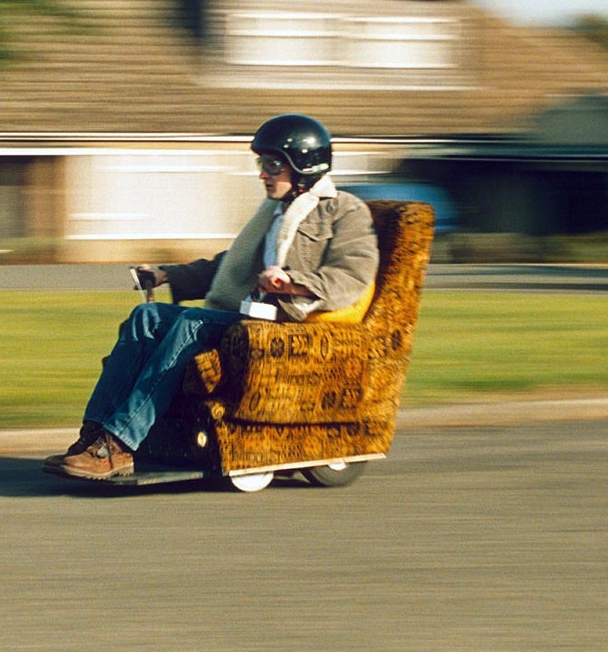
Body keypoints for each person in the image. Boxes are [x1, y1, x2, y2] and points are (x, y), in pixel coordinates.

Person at [44, 114, 380, 480]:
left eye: (272, 165)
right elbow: (229, 267)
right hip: (249, 317)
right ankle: (94, 435)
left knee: (191, 323)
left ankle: (120, 445)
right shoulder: (275, 213)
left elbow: (353, 276)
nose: (263, 174)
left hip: (287, 329)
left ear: (303, 166)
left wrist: (291, 282)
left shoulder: (345, 212)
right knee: (148, 317)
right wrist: (168, 274)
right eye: (261, 164)